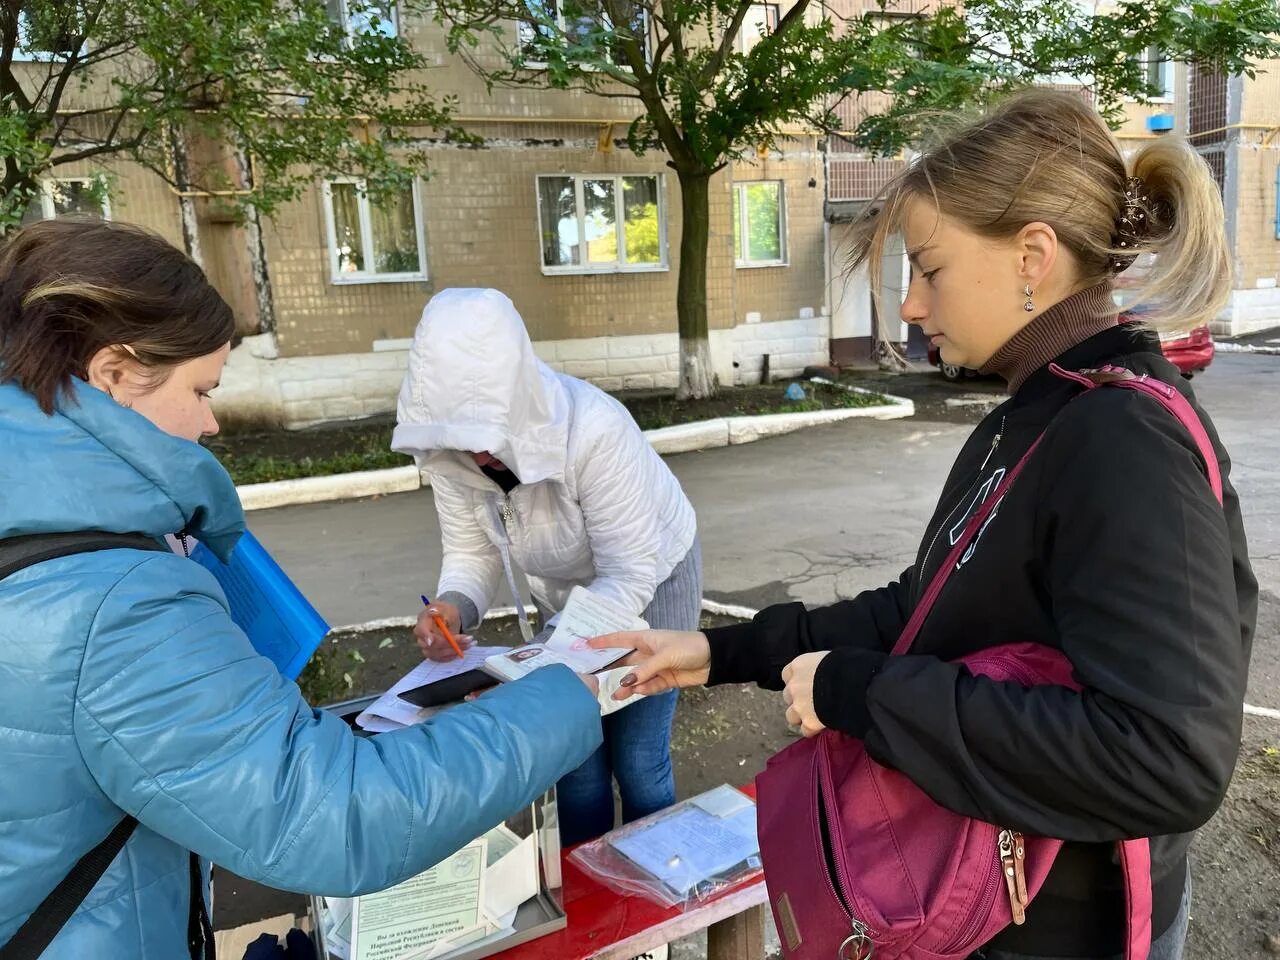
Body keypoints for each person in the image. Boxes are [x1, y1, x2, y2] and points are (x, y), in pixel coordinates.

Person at [594, 89, 1255, 960]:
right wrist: (725, 652)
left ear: (1032, 256)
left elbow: (1167, 758)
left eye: (929, 269)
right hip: (987, 901)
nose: (911, 306)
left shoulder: (1125, 439)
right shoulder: (1035, 410)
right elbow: (933, 605)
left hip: (1066, 926)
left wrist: (861, 694)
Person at [0, 220, 603, 959]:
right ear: (115, 373)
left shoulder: (40, 528)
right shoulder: (113, 600)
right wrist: (567, 689)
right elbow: (337, 815)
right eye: (202, 388)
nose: (211, 421)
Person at [392, 288, 701, 848]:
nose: (477, 456)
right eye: (459, 439)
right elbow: (472, 553)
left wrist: (542, 662)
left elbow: (630, 573)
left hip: (652, 583)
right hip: (564, 593)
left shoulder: (596, 432)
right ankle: (589, 905)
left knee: (637, 756)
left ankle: (655, 904)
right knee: (573, 757)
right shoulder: (449, 454)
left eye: (484, 434)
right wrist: (452, 608)